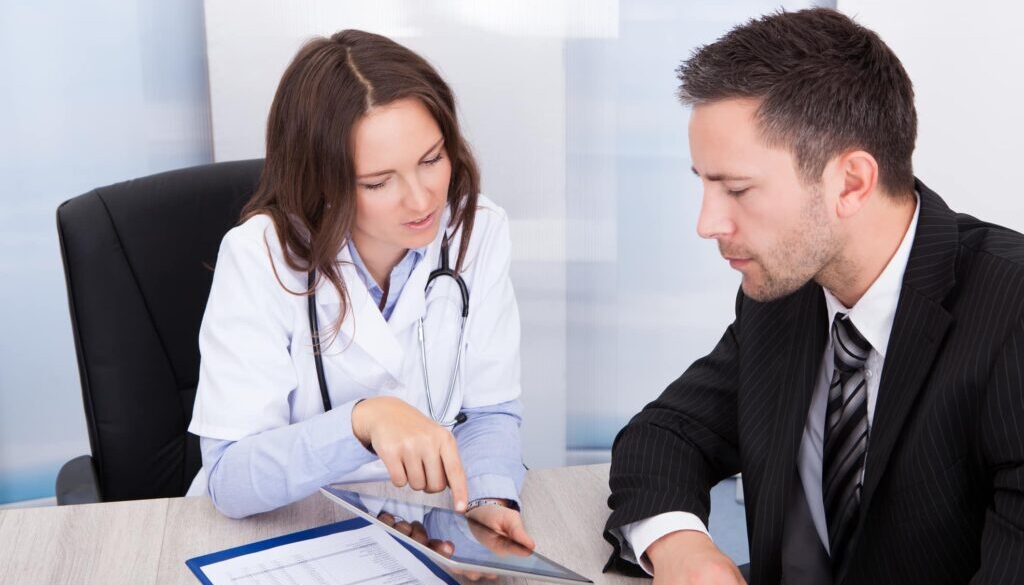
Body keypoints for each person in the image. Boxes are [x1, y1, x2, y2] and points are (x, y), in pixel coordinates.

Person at [604, 8, 1024, 585]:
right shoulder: (784, 293)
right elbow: (664, 436)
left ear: (851, 183)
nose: (707, 223)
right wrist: (683, 549)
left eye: (738, 189)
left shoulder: (1011, 313)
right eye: (703, 183)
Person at [186, 29, 534, 552]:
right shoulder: (259, 256)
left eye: (432, 159)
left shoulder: (476, 231)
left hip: (421, 531)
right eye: (378, 182)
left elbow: (488, 412)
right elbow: (229, 480)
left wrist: (486, 502)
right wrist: (362, 422)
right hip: (283, 534)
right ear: (321, 182)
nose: (421, 199)